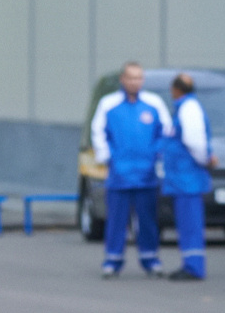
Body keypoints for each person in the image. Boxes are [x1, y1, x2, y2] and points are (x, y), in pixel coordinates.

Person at [89, 61, 170, 278]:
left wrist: (157, 155)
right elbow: (97, 131)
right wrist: (107, 157)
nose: (135, 82)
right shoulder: (109, 104)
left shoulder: (154, 103)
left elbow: (166, 131)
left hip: (147, 175)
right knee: (116, 220)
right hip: (119, 175)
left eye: (139, 78)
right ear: (123, 79)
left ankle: (150, 260)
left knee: (148, 221)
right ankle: (112, 260)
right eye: (131, 78)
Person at [161, 72, 214, 280]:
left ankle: (193, 267)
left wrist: (205, 160)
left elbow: (195, 142)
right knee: (188, 224)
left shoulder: (188, 109)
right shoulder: (186, 107)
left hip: (187, 179)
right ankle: (191, 264)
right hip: (185, 179)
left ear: (175, 90)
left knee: (190, 225)